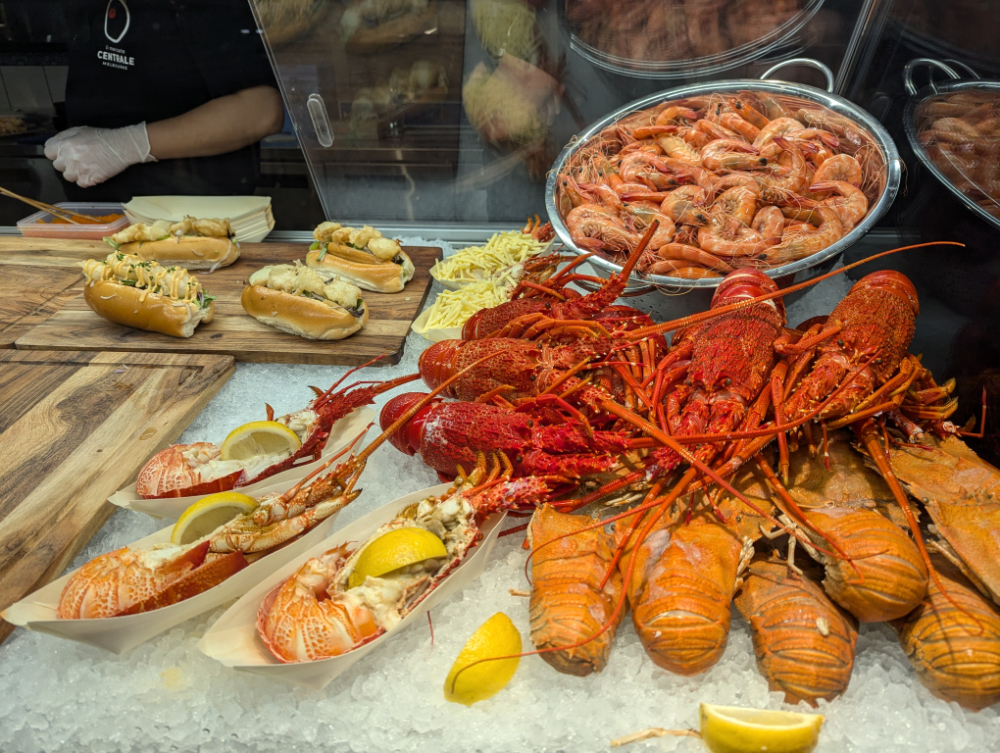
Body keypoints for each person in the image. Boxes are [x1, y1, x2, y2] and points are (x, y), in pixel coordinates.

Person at [45, 0, 285, 199]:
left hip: (190, 216)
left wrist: (126, 145)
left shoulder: (199, 7)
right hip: (98, 212)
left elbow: (262, 110)